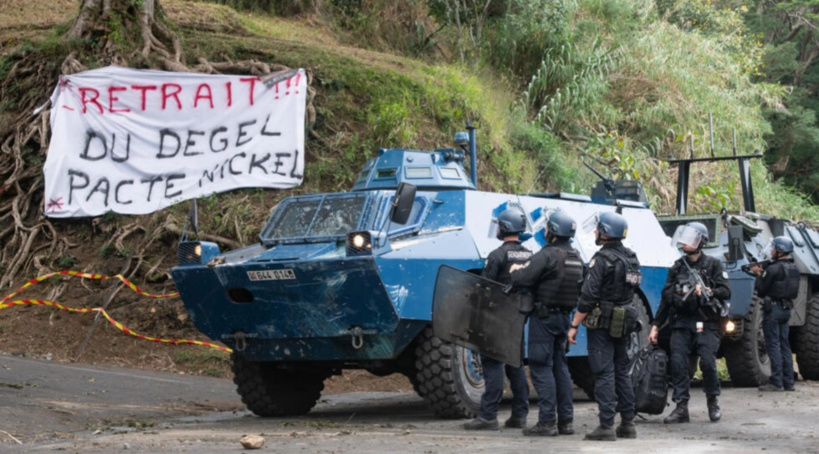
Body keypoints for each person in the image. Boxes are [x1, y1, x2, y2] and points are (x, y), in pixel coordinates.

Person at [568, 211, 641, 441]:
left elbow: (588, 297)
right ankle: (628, 423)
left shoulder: (602, 260)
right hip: (624, 321)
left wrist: (574, 325)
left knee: (603, 372)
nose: (595, 232)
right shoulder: (632, 258)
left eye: (598, 229)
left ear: (607, 233)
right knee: (622, 370)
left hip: (602, 323)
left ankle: (606, 425)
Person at [509, 210, 583, 436]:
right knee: (560, 368)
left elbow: (523, 278)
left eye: (547, 227)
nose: (545, 230)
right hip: (564, 319)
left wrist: (516, 271)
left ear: (552, 231)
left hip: (544, 318)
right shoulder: (576, 257)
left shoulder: (547, 255)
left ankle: (547, 422)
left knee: (541, 368)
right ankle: (566, 421)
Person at [648, 221, 730, 424]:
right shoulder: (677, 268)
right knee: (677, 363)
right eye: (685, 238)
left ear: (701, 242)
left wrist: (709, 291)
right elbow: (666, 299)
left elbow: (725, 290)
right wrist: (656, 326)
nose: (686, 243)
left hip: (706, 321)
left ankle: (713, 401)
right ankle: (681, 407)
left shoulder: (713, 264)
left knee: (709, 363)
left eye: (692, 239)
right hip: (682, 321)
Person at [463, 208, 532, 430]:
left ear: (504, 228)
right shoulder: (530, 255)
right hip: (518, 318)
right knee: (516, 365)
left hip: (496, 318)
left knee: (493, 365)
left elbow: (485, 288)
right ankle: (520, 415)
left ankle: (488, 416)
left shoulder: (497, 255)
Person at [752, 236, 799, 392]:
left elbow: (761, 289)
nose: (771, 251)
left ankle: (776, 381)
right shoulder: (793, 268)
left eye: (773, 248)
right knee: (784, 345)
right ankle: (789, 381)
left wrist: (759, 274)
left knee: (773, 345)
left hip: (773, 309)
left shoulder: (772, 269)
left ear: (779, 251)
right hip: (786, 310)